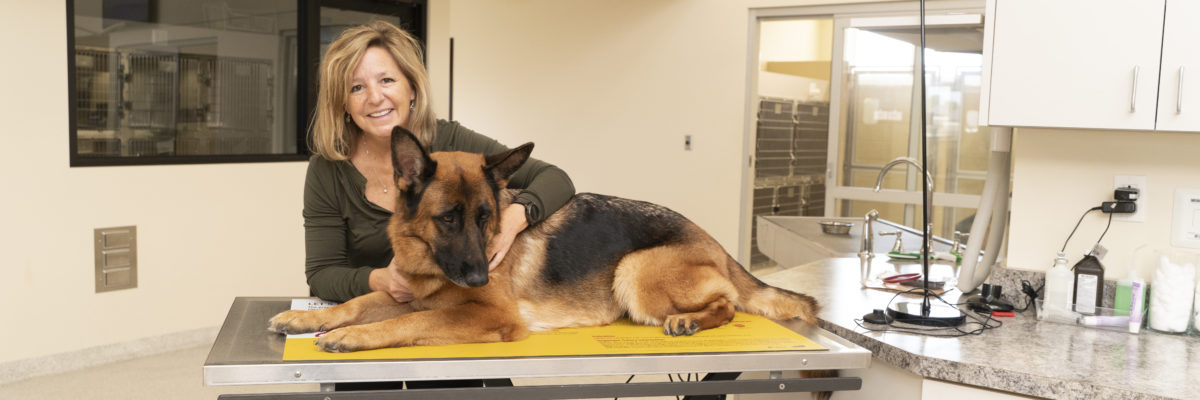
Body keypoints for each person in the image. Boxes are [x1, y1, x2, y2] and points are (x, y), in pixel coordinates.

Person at [304, 20, 575, 305]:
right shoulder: (328, 169)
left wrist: (513, 219)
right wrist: (380, 279)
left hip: (451, 313)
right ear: (342, 103)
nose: (374, 97)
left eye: (387, 80)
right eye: (356, 87)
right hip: (377, 310)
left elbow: (555, 178)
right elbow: (322, 273)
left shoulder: (452, 142)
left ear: (412, 88)